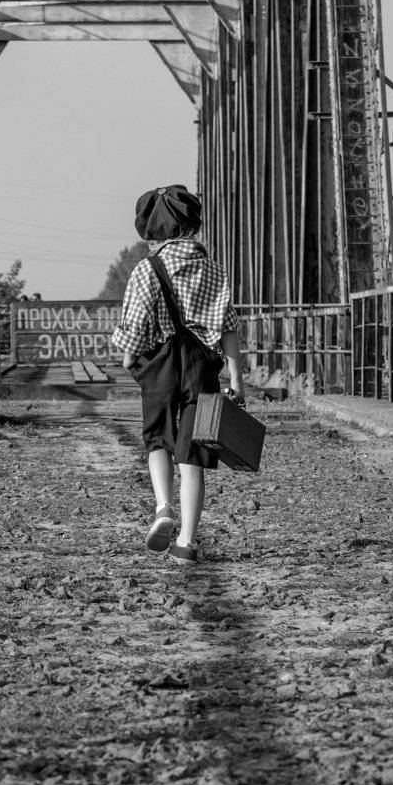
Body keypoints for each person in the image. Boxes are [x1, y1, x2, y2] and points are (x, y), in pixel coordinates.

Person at [111, 185, 245, 565]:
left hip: (160, 367)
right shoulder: (214, 269)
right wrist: (236, 381)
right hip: (202, 368)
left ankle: (163, 507)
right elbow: (228, 327)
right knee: (194, 455)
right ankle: (186, 543)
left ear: (152, 230)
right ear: (193, 224)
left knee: (157, 440)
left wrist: (129, 359)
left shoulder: (146, 270)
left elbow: (135, 323)